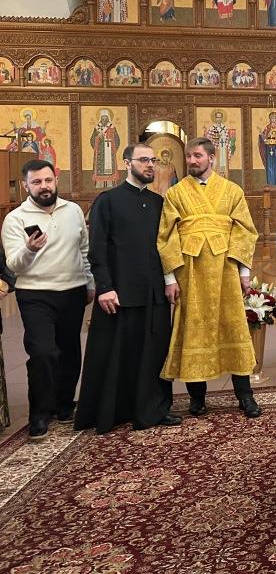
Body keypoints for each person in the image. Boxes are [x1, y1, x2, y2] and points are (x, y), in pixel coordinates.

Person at [75, 144, 181, 434]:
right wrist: (105, 287)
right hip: (119, 293)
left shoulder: (159, 202)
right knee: (122, 355)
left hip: (154, 292)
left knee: (154, 353)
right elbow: (97, 248)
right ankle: (116, 411)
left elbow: (166, 247)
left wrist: (170, 280)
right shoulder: (107, 201)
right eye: (143, 160)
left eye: (153, 160)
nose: (150, 165)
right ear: (126, 163)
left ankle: (154, 409)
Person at [157, 138, 261, 419]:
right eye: (189, 156)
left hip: (225, 268)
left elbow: (244, 231)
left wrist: (244, 272)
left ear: (212, 158)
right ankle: (197, 397)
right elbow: (166, 236)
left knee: (234, 326)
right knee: (193, 327)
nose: (192, 160)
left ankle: (245, 395)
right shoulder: (175, 193)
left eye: (198, 156)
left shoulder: (232, 191)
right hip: (189, 270)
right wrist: (169, 278)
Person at [1, 160, 94, 439]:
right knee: (43, 352)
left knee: (69, 351)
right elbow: (13, 264)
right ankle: (40, 413)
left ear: (56, 180)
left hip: (73, 290)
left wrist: (89, 282)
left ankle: (64, 404)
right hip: (35, 294)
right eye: (37, 182)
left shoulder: (73, 210)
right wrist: (29, 249)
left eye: (48, 180)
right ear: (26, 186)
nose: (44, 186)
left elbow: (84, 249)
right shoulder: (15, 218)